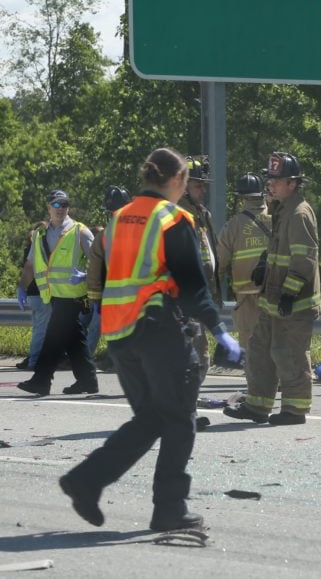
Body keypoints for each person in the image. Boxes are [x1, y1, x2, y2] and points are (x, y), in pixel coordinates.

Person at [57, 148, 241, 531]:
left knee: (155, 417)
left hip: (120, 334)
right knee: (179, 419)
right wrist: (220, 330)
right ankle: (169, 508)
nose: (186, 187)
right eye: (187, 180)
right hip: (157, 330)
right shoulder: (172, 218)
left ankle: (87, 480)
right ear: (176, 180)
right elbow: (193, 286)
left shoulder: (120, 219)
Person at [223, 152, 320, 426]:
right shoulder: (280, 208)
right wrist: (264, 264)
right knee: (260, 352)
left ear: (293, 183)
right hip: (271, 300)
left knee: (289, 355)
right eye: (270, 180)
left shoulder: (300, 212)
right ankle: (257, 406)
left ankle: (294, 410)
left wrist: (289, 294)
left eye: (277, 181)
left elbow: (304, 259)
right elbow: (280, 250)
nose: (271, 185)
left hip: (293, 303)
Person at [17, 190, 97, 396]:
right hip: (54, 296)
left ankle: (41, 381)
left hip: (76, 295)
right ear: (49, 207)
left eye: (65, 204)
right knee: (74, 338)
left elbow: (99, 263)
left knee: (53, 336)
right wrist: (22, 286)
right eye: (57, 204)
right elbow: (30, 264)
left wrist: (86, 275)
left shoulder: (80, 231)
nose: (61, 208)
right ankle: (87, 380)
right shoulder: (40, 234)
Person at [215, 172, 271, 357]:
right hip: (274, 292)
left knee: (249, 343)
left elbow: (219, 263)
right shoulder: (278, 219)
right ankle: (275, 381)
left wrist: (213, 292)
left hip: (246, 295)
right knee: (274, 339)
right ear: (263, 194)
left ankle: (255, 383)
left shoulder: (232, 226)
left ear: (241, 199)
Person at [178, 155, 220, 383]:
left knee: (199, 357)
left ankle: (185, 408)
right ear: (183, 188)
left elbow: (209, 257)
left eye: (203, 185)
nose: (203, 190)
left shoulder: (202, 215)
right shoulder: (175, 216)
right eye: (198, 185)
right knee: (192, 357)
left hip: (199, 297)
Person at [83, 186, 133, 357]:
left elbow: (94, 268)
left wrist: (95, 296)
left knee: (102, 328)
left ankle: (89, 360)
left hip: (111, 294)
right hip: (127, 294)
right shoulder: (139, 232)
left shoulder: (106, 234)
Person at [15, 223, 51, 371]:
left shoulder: (28, 250)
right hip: (42, 293)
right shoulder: (42, 249)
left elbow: (28, 269)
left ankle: (36, 358)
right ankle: (35, 361)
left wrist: (21, 288)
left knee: (39, 328)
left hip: (32, 294)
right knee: (42, 330)